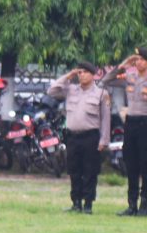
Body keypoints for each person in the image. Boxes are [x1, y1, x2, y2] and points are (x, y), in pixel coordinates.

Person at [48, 63, 113, 214]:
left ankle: (88, 204)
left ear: (93, 75)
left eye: (85, 72)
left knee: (90, 171)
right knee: (74, 170)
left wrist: (104, 140)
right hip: (72, 136)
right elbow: (52, 91)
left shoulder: (101, 93)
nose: (81, 75)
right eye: (80, 72)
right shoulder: (71, 90)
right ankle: (76, 203)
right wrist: (68, 76)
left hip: (90, 137)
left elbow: (105, 119)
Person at [104, 51, 147, 216]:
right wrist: (124, 65)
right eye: (137, 60)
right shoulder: (130, 78)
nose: (139, 63)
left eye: (142, 60)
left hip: (145, 124)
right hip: (131, 123)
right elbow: (106, 80)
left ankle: (144, 206)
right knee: (132, 165)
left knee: (145, 166)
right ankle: (131, 206)